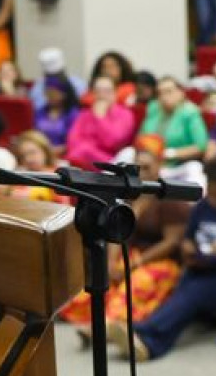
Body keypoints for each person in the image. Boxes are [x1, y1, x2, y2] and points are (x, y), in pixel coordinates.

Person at [121, 157, 216, 361]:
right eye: (210, 187)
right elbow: (188, 240)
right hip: (205, 267)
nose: (211, 195)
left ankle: (147, 338)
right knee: (186, 287)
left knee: (195, 292)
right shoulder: (202, 207)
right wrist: (188, 248)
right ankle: (145, 338)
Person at [59, 138, 191, 334]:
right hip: (130, 255)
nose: (142, 172)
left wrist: (136, 264)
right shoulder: (131, 194)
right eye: (138, 167)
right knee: (99, 285)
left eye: (147, 166)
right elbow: (117, 233)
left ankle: (105, 326)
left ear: (159, 166)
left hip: (161, 261)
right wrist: (111, 263)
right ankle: (101, 320)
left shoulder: (169, 197)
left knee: (136, 282)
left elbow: (171, 242)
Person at [64, 76, 136, 169]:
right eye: (98, 91)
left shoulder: (125, 114)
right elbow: (72, 141)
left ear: (115, 93)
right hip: (82, 161)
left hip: (111, 163)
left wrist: (100, 117)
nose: (102, 95)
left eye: (106, 91)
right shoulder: (85, 114)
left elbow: (113, 142)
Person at [140, 76, 208, 165]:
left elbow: (201, 146)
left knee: (194, 168)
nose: (164, 97)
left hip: (179, 165)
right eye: (160, 93)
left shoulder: (190, 112)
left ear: (181, 93)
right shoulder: (153, 109)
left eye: (168, 92)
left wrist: (170, 153)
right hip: (151, 162)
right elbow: (142, 138)